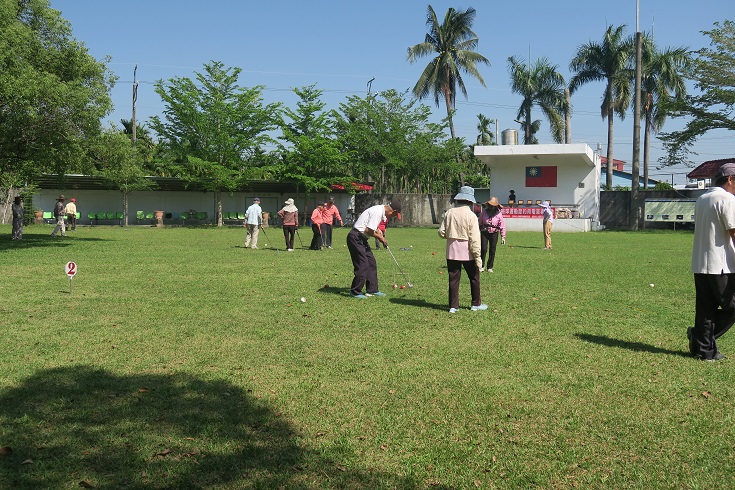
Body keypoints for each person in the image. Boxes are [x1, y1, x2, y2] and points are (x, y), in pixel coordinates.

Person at [689, 163, 735, 361]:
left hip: (701, 263)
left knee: (705, 308)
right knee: (732, 306)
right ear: (730, 179)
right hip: (721, 264)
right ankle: (700, 339)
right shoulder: (727, 199)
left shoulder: (702, 199)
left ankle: (705, 351)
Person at [438, 186, 487, 313]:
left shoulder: (449, 213)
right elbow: (475, 239)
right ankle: (475, 304)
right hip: (468, 251)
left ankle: (453, 306)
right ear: (470, 201)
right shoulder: (471, 216)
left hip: (451, 250)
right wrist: (478, 257)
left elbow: (441, 232)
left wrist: (451, 236)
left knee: (453, 278)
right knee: (474, 277)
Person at [347, 199, 402, 298]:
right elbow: (368, 230)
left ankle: (372, 290)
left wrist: (378, 231)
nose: (392, 217)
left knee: (371, 262)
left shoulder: (380, 211)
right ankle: (355, 291)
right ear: (393, 211)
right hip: (356, 238)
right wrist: (381, 238)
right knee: (363, 264)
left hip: (362, 239)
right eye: (394, 215)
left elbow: (370, 226)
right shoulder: (378, 212)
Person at [479, 197, 506, 272]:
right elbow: (479, 222)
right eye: (490, 205)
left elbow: (502, 225)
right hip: (484, 232)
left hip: (494, 233)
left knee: (492, 250)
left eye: (493, 205)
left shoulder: (499, 214)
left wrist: (503, 237)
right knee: (483, 249)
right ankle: (481, 265)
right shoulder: (484, 212)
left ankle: (490, 267)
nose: (492, 207)